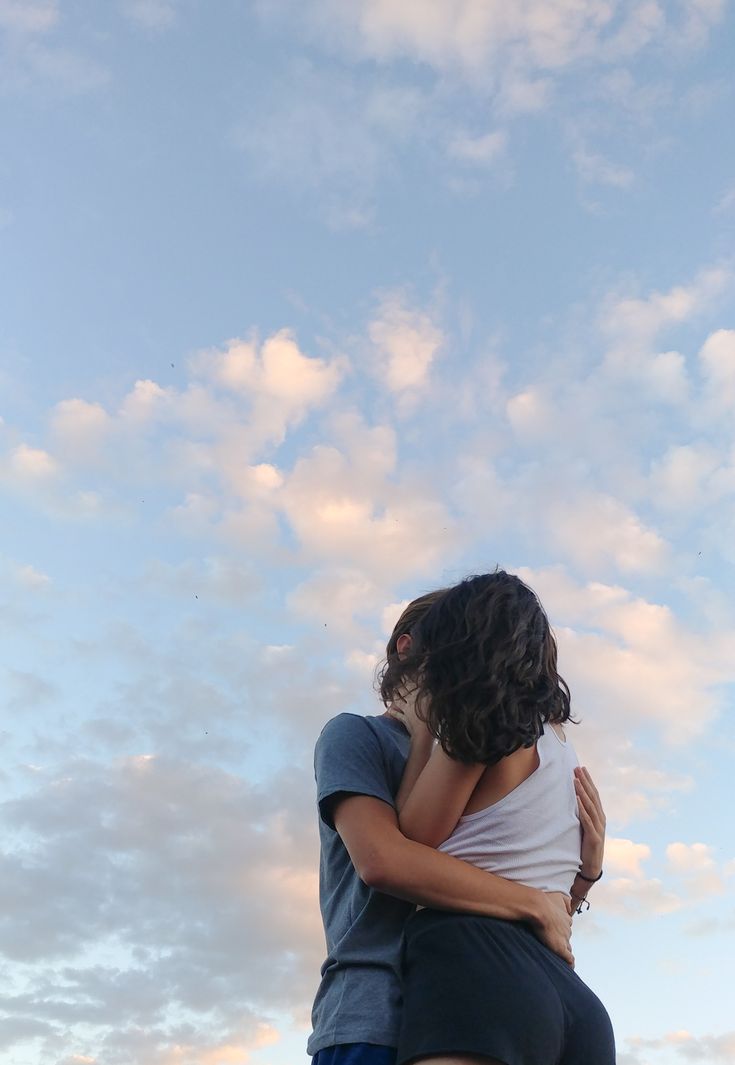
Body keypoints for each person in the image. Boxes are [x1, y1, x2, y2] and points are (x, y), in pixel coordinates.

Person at [308, 589, 601, 1065]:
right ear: (408, 647)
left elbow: (538, 906)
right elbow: (384, 860)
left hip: (474, 988)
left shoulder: (483, 737)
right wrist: (533, 905)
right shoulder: (356, 735)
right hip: (377, 1008)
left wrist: (584, 877)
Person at [383, 571, 615, 1065]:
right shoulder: (555, 738)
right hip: (570, 996)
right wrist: (587, 876)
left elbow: (410, 840)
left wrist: (425, 726)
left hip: (475, 957)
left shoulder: (480, 726)